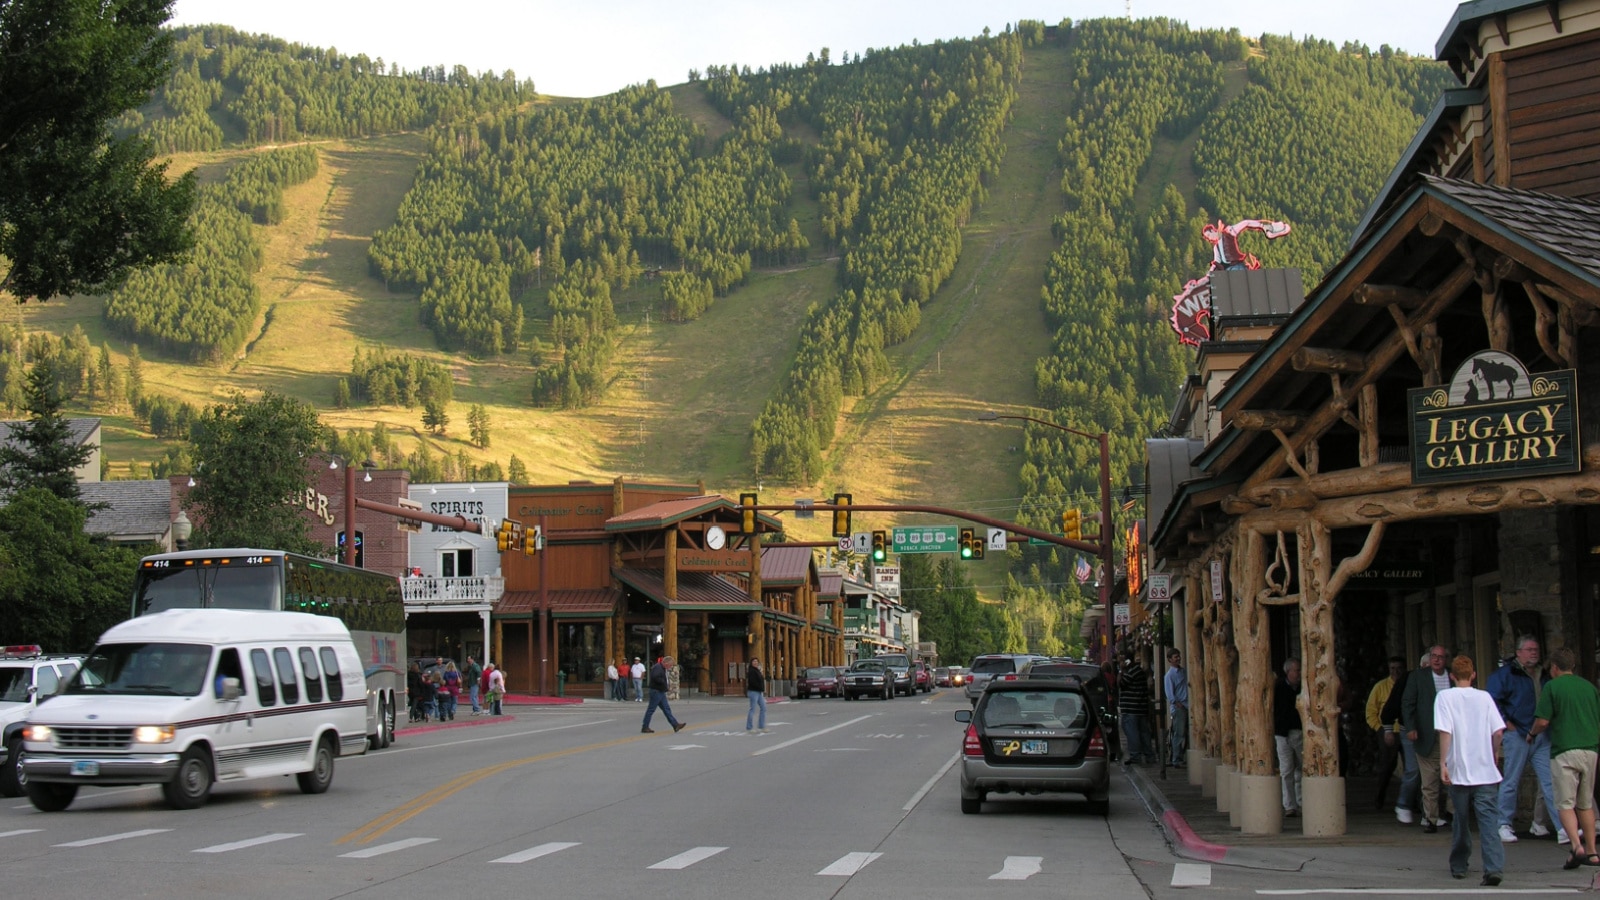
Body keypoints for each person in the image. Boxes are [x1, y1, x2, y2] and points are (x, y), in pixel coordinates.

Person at [1435, 653, 1505, 885]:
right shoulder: (1485, 697)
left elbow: (1446, 732)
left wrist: (1443, 762)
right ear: (1473, 675)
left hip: (1459, 770)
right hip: (1485, 770)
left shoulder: (1444, 697)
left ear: (1452, 676)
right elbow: (1498, 732)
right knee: (1488, 821)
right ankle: (1493, 867)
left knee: (1461, 820)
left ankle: (1459, 865)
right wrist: (1494, 751)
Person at [1529, 646, 1600, 869]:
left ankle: (1576, 846)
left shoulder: (1552, 687)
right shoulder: (1589, 688)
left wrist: (1531, 734)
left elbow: (1542, 721)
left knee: (1565, 803)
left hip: (1564, 749)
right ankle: (1592, 852)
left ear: (1556, 668)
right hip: (1590, 749)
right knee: (1586, 804)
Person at [1487, 635, 1559, 845]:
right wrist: (1506, 722)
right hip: (1518, 733)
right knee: (1511, 781)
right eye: (1529, 649)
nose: (1533, 653)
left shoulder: (1543, 674)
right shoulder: (1506, 674)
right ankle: (1503, 823)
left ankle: (1563, 826)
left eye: (1536, 649)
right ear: (1518, 652)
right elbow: (1492, 700)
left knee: (1549, 782)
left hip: (1540, 734)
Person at [1404, 645, 1452, 833]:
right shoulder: (1418, 677)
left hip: (1448, 734)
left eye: (1441, 657)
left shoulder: (1452, 678)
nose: (1437, 660)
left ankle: (1452, 812)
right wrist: (1411, 727)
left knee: (1452, 776)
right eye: (1434, 656)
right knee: (1429, 779)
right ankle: (1430, 818)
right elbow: (1408, 702)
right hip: (1427, 733)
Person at [1366, 657, 1405, 811]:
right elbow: (1370, 711)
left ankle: (1413, 802)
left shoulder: (1407, 685)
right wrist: (1380, 728)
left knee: (1412, 769)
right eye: (1392, 668)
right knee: (1387, 767)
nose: (1395, 671)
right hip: (1388, 732)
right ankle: (1379, 799)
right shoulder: (1380, 687)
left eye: (1399, 668)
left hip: (1406, 730)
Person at [1274, 658, 1304, 818]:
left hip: (1299, 731)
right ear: (1288, 672)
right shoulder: (1278, 687)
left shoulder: (1303, 688)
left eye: (1299, 670)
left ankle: (1301, 802)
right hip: (1282, 734)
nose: (1298, 674)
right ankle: (1289, 805)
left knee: (1303, 767)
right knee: (1286, 770)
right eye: (1296, 670)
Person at [1118, 654, 1154, 765]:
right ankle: (1148, 756)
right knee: (1144, 733)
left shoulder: (1132, 672)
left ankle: (1135, 756)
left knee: (1132, 733)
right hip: (1140, 708)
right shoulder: (1138, 672)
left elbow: (1120, 683)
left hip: (1132, 709)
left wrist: (1121, 671)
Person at [641, 654, 686, 734]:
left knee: (666, 709)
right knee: (651, 709)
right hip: (656, 691)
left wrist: (665, 686)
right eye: (670, 665)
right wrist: (663, 683)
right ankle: (645, 726)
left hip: (660, 691)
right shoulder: (658, 668)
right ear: (666, 663)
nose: (670, 667)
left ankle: (675, 725)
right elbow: (655, 677)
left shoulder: (661, 668)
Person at [1164, 649, 1189, 767]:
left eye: (1178, 656)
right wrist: (1176, 703)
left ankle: (1180, 756)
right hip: (1179, 707)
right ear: (1169, 659)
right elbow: (1169, 693)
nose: (1178, 658)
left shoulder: (1183, 671)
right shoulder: (1169, 675)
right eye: (1175, 657)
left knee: (1184, 732)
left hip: (1187, 705)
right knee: (1179, 733)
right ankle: (1176, 759)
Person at [745, 657, 767, 734]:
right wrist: (759, 687)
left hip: (759, 692)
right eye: (754, 661)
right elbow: (752, 682)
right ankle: (749, 727)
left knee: (763, 707)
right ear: (751, 663)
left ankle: (761, 726)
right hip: (753, 691)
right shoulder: (751, 671)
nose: (755, 663)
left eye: (756, 661)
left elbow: (761, 680)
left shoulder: (757, 671)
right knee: (752, 709)